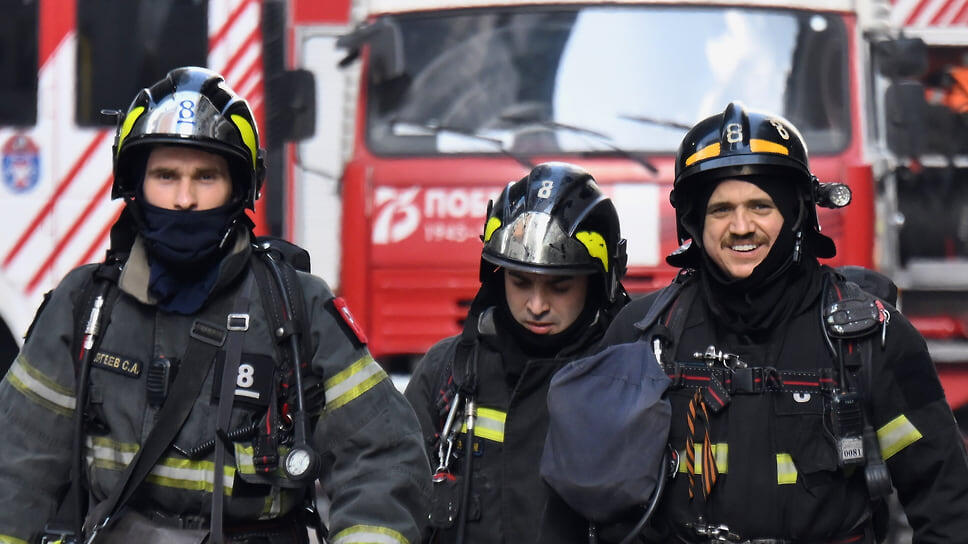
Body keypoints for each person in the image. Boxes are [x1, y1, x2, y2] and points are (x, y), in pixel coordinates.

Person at [0, 66, 429, 544]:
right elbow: (15, 464)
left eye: (206, 176)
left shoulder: (297, 309)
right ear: (135, 184)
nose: (184, 198)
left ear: (238, 188)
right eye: (166, 176)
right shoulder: (85, 307)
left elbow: (383, 458)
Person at [593, 102, 968, 542]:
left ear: (796, 213)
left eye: (760, 206)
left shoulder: (872, 338)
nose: (741, 226)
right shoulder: (641, 336)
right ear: (693, 221)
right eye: (720, 210)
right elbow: (589, 503)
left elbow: (946, 507)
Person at [404, 162, 629, 543]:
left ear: (596, 283)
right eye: (520, 282)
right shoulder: (449, 372)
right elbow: (398, 494)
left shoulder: (630, 378)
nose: (536, 305)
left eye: (560, 286)